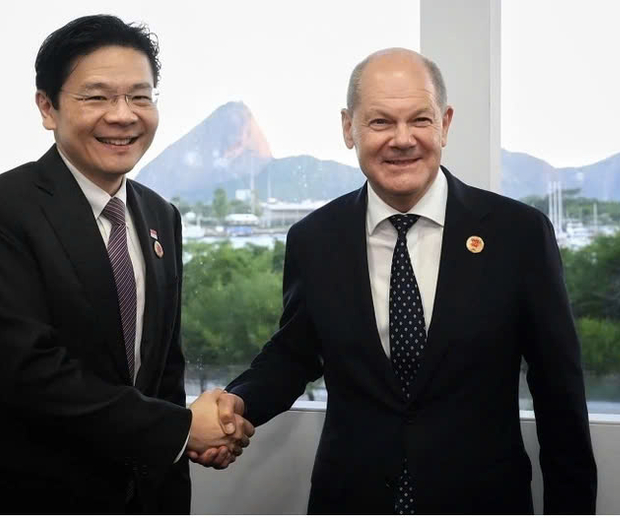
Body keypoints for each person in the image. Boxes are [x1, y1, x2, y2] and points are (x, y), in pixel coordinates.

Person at [194, 48, 598, 514]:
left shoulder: (518, 235)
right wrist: (236, 407)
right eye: (381, 122)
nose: (402, 139)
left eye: (419, 120)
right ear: (349, 128)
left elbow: (560, 398)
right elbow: (295, 352)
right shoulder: (314, 239)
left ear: (444, 123)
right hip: (351, 499)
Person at [0, 15, 251, 514]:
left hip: (146, 495)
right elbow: (28, 371)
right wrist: (180, 430)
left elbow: (162, 369)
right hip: (31, 494)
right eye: (97, 96)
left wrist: (197, 433)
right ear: (48, 106)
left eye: (140, 96)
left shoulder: (159, 215)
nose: (123, 115)